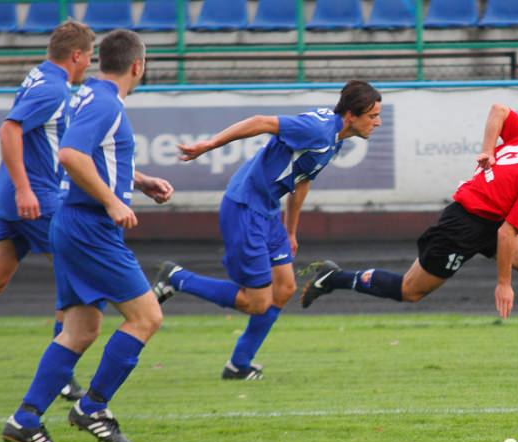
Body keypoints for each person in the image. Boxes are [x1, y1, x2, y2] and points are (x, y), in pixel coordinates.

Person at [300, 104, 518, 370]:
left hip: (491, 218)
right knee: (409, 290)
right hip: (463, 225)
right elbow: (507, 234)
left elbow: (499, 110)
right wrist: (503, 283)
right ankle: (334, 277)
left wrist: (488, 151)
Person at [1, 29, 174, 442]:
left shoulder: (88, 96)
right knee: (147, 317)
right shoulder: (104, 102)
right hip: (90, 226)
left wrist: (140, 180)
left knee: (80, 330)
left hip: (73, 222)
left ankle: (25, 419)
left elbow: (93, 155)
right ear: (138, 66)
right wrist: (114, 202)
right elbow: (71, 156)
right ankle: (93, 407)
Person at [152, 80, 382, 380]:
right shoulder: (317, 130)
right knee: (256, 302)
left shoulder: (335, 138)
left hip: (269, 211)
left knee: (285, 288)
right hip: (245, 209)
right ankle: (177, 278)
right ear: (351, 115)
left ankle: (239, 364)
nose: (377, 122)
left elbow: (302, 181)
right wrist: (208, 145)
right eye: (372, 116)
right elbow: (261, 122)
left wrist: (290, 231)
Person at [0, 21, 95, 401]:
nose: (89, 65)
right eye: (89, 57)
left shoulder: (40, 75)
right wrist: (26, 188)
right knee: (81, 268)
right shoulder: (52, 88)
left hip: (9, 197)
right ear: (76, 55)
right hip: (34, 198)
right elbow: (9, 130)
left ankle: (61, 368)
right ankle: (61, 371)